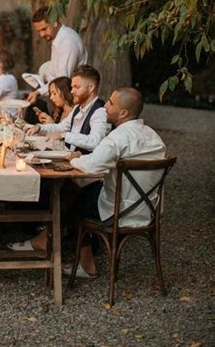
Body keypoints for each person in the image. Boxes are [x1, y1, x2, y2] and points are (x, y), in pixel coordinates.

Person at [63, 87, 166, 278]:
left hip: (117, 211)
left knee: (72, 195)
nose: (104, 107)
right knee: (89, 189)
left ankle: (86, 265)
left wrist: (73, 159)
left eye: (110, 103)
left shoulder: (117, 138)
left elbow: (93, 166)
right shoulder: (154, 137)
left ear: (124, 113)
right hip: (147, 211)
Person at [10, 65, 108, 253]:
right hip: (76, 167)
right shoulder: (80, 108)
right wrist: (41, 127)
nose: (71, 91)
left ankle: (46, 236)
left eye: (76, 87)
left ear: (92, 87)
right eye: (71, 87)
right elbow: (61, 127)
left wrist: (66, 135)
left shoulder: (99, 111)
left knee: (58, 188)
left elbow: (96, 142)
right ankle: (46, 235)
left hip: (91, 174)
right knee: (47, 181)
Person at [28, 7, 87, 105]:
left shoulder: (67, 42)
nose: (42, 34)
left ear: (55, 22)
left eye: (44, 29)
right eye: (38, 31)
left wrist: (39, 92)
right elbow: (56, 77)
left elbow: (62, 82)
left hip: (73, 101)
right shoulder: (58, 38)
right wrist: (38, 92)